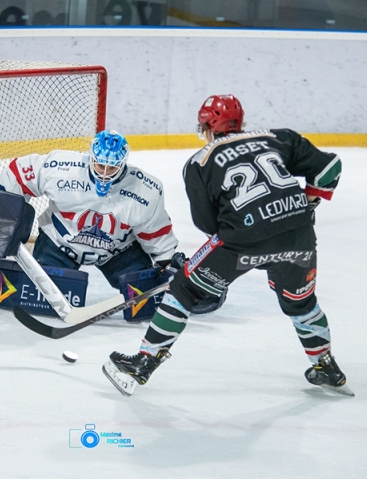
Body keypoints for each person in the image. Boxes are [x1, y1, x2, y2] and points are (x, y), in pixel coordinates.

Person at [102, 95, 353, 397]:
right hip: (299, 236)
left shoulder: (199, 162)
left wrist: (236, 254)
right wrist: (308, 204)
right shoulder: (279, 138)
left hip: (241, 242)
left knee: (184, 289)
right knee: (300, 302)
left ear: (208, 126)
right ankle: (325, 366)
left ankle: (143, 364)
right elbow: (330, 168)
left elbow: (208, 225)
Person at [0, 129, 182, 293]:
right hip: (59, 245)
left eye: (112, 167)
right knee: (42, 293)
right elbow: (16, 173)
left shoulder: (145, 190)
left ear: (123, 163)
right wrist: (2, 222)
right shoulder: (61, 168)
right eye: (101, 165)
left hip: (117, 251)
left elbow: (156, 231)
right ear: (92, 157)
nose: (105, 173)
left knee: (145, 293)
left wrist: (167, 263)